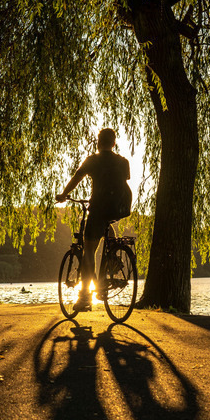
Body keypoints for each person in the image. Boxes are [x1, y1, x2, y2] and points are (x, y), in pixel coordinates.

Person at [56, 128, 131, 312]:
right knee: (107, 225)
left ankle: (86, 297)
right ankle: (112, 257)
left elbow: (77, 177)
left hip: (98, 207)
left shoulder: (93, 160)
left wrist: (64, 195)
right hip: (119, 207)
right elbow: (123, 181)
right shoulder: (123, 162)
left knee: (89, 250)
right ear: (113, 143)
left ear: (98, 142)